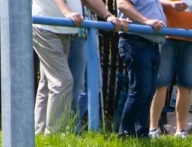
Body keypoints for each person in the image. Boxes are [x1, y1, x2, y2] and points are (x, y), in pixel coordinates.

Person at [32, 0, 130, 135]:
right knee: (62, 81)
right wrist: (67, 12)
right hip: (45, 27)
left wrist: (108, 16)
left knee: (48, 83)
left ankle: (39, 134)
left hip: (63, 30)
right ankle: (54, 134)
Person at [148, 2, 192, 138]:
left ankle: (180, 131)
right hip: (167, 36)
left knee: (186, 85)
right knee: (161, 84)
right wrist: (172, 6)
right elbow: (156, 2)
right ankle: (153, 129)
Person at [116, 0, 167, 138]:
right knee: (140, 90)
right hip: (135, 41)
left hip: (152, 44)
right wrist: (146, 21)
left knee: (148, 92)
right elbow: (122, 3)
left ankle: (141, 134)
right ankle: (126, 134)